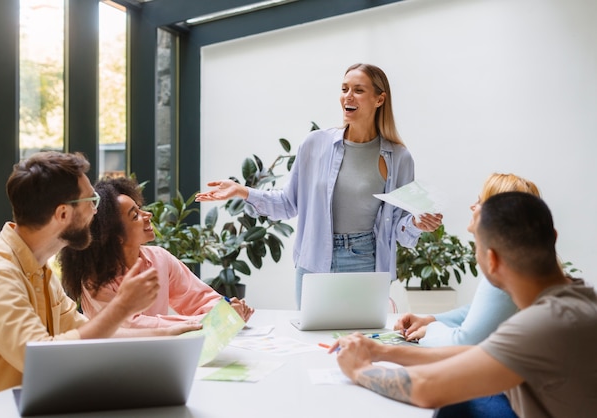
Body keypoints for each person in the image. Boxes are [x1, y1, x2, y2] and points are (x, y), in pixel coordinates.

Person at [196, 63, 442, 307]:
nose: (348, 95)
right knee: (313, 339)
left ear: (379, 99)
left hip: (365, 260)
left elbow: (398, 224)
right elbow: (287, 204)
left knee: (362, 340)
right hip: (313, 258)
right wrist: (243, 192)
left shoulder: (399, 158)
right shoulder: (315, 144)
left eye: (358, 90)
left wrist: (417, 223)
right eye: (344, 88)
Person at [332, 192, 597, 418]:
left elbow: (426, 388)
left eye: (476, 246)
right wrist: (381, 351)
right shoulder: (575, 298)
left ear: (491, 260)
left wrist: (359, 369)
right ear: (553, 236)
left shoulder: (546, 323)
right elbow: (474, 354)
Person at [0, 152, 201, 401]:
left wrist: (174, 333)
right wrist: (122, 307)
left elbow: (86, 332)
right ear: (62, 214)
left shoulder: (40, 271)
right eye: (91, 200)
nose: (95, 211)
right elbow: (39, 358)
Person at [59, 177, 254, 327]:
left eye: (140, 208)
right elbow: (133, 327)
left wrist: (227, 309)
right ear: (116, 235)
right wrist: (205, 321)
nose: (148, 215)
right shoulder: (95, 280)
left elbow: (198, 298)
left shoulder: (159, 258)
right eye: (135, 215)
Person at [394, 173, 540, 346]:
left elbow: (465, 340)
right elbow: (480, 311)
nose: (472, 207)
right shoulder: (523, 261)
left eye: (480, 202)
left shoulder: (506, 268)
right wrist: (430, 320)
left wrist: (430, 331)